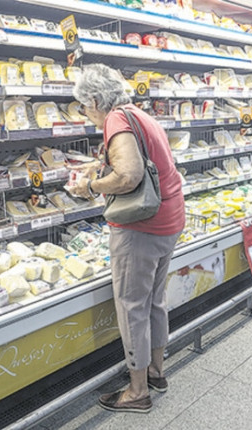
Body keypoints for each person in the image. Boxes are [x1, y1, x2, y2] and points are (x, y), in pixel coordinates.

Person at [69, 64, 185, 413]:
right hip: (168, 218)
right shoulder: (138, 114)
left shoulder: (115, 121)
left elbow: (130, 176)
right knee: (154, 301)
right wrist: (102, 168)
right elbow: (141, 161)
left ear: (94, 99)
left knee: (132, 306)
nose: (85, 114)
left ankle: (137, 392)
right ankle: (156, 371)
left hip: (142, 227)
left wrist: (88, 186)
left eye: (84, 107)